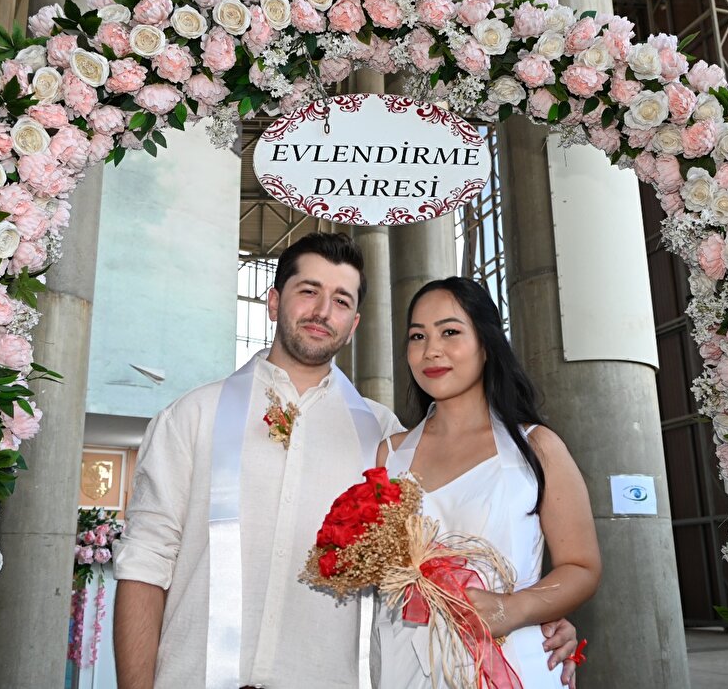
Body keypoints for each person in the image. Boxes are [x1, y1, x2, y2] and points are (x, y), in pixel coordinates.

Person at [112, 233, 584, 688]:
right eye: (308, 291)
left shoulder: (383, 437)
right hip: (196, 675)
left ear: (355, 323)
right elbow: (144, 564)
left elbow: (441, 550)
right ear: (274, 302)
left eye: (341, 300)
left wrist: (531, 610)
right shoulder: (193, 416)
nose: (322, 311)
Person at [375, 277, 602, 687]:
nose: (431, 350)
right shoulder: (389, 455)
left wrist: (515, 608)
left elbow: (582, 566)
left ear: (486, 342)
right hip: (404, 666)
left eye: (450, 332)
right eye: (417, 336)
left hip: (512, 658)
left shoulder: (537, 447)